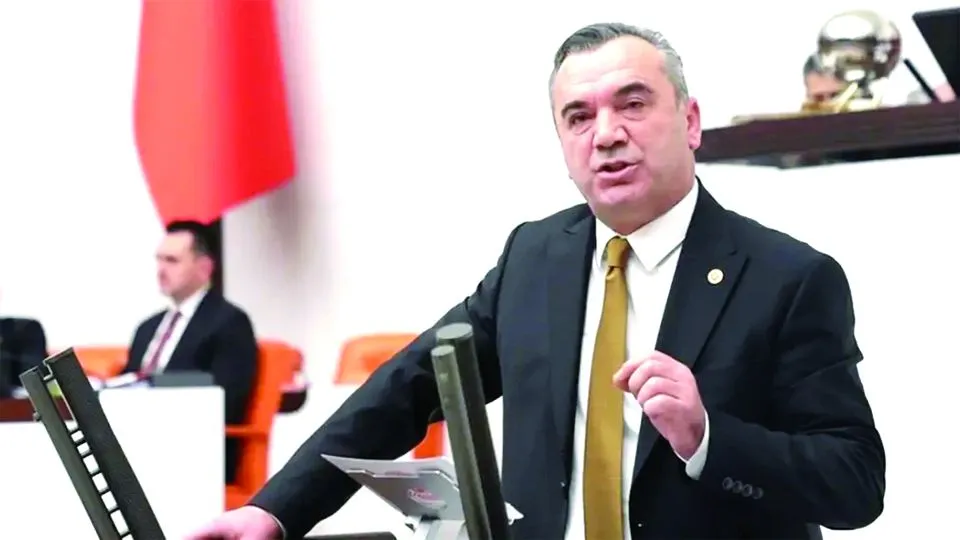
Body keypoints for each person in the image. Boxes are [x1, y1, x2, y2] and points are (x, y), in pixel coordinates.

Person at [187, 23, 885, 540]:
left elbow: (854, 483)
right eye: (579, 117)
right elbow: (406, 389)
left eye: (632, 104)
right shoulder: (535, 257)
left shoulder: (788, 279)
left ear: (691, 121)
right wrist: (276, 510)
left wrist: (707, 437)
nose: (605, 134)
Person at [123, 220, 258, 483]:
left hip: (191, 449)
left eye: (172, 261)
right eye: (159, 260)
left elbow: (227, 400)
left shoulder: (229, 322)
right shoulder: (147, 328)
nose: (161, 270)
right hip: (135, 440)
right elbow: (127, 384)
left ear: (204, 267)